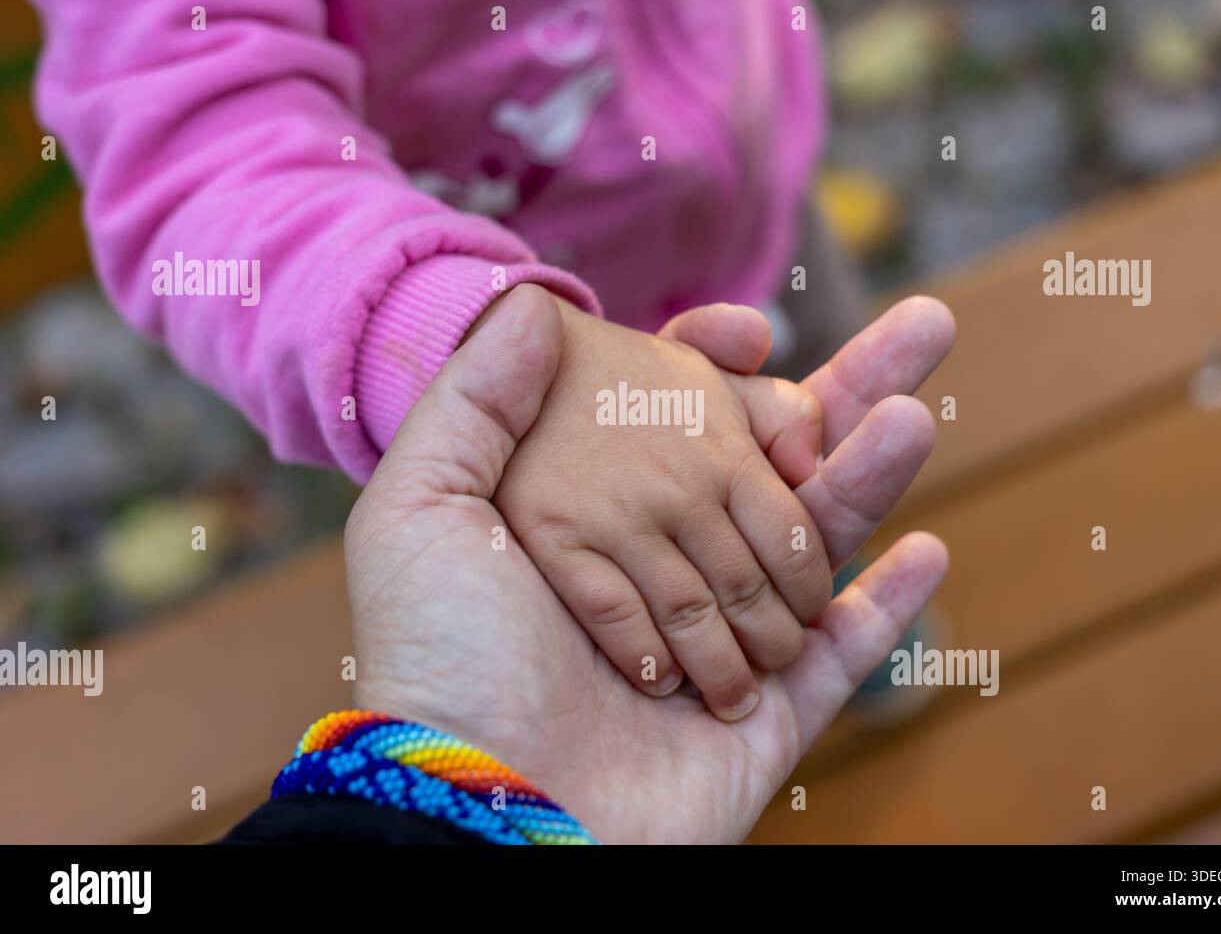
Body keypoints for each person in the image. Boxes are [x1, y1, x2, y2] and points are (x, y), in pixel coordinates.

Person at [17, 0, 878, 722]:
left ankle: (820, 600)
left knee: (818, 460)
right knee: (623, 629)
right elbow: (206, 163)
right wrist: (464, 350)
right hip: (472, 365)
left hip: (748, 214)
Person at [224, 286, 953, 844]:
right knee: (659, 573)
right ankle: (759, 625)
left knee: (801, 467)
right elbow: (214, 180)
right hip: (517, 406)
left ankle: (798, 593)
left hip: (738, 242)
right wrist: (457, 326)